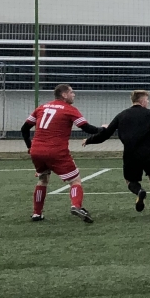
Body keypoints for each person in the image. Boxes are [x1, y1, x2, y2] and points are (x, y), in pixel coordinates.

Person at [82, 90, 150, 218]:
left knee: (129, 180)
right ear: (142, 101)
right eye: (147, 100)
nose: (148, 102)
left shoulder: (122, 115)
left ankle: (139, 191)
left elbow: (106, 134)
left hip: (131, 154)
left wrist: (89, 140)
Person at [20, 84, 102, 223]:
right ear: (64, 95)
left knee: (43, 179)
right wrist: (103, 129)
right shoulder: (70, 110)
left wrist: (30, 147)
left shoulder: (42, 107)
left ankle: (36, 213)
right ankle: (76, 206)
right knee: (75, 180)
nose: (74, 94)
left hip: (37, 151)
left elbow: (24, 128)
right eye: (71, 92)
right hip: (56, 151)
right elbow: (87, 128)